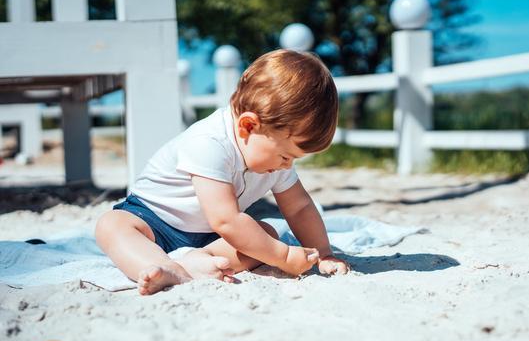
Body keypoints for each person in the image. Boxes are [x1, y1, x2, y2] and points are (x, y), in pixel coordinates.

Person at [95, 49, 350, 295]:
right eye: (286, 156)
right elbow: (226, 219)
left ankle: (199, 261)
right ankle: (167, 269)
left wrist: (324, 253)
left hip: (212, 238)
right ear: (249, 125)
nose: (287, 165)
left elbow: (299, 208)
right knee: (111, 225)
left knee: (267, 234)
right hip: (152, 221)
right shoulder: (209, 142)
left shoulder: (274, 156)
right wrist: (281, 256)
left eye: (294, 159)